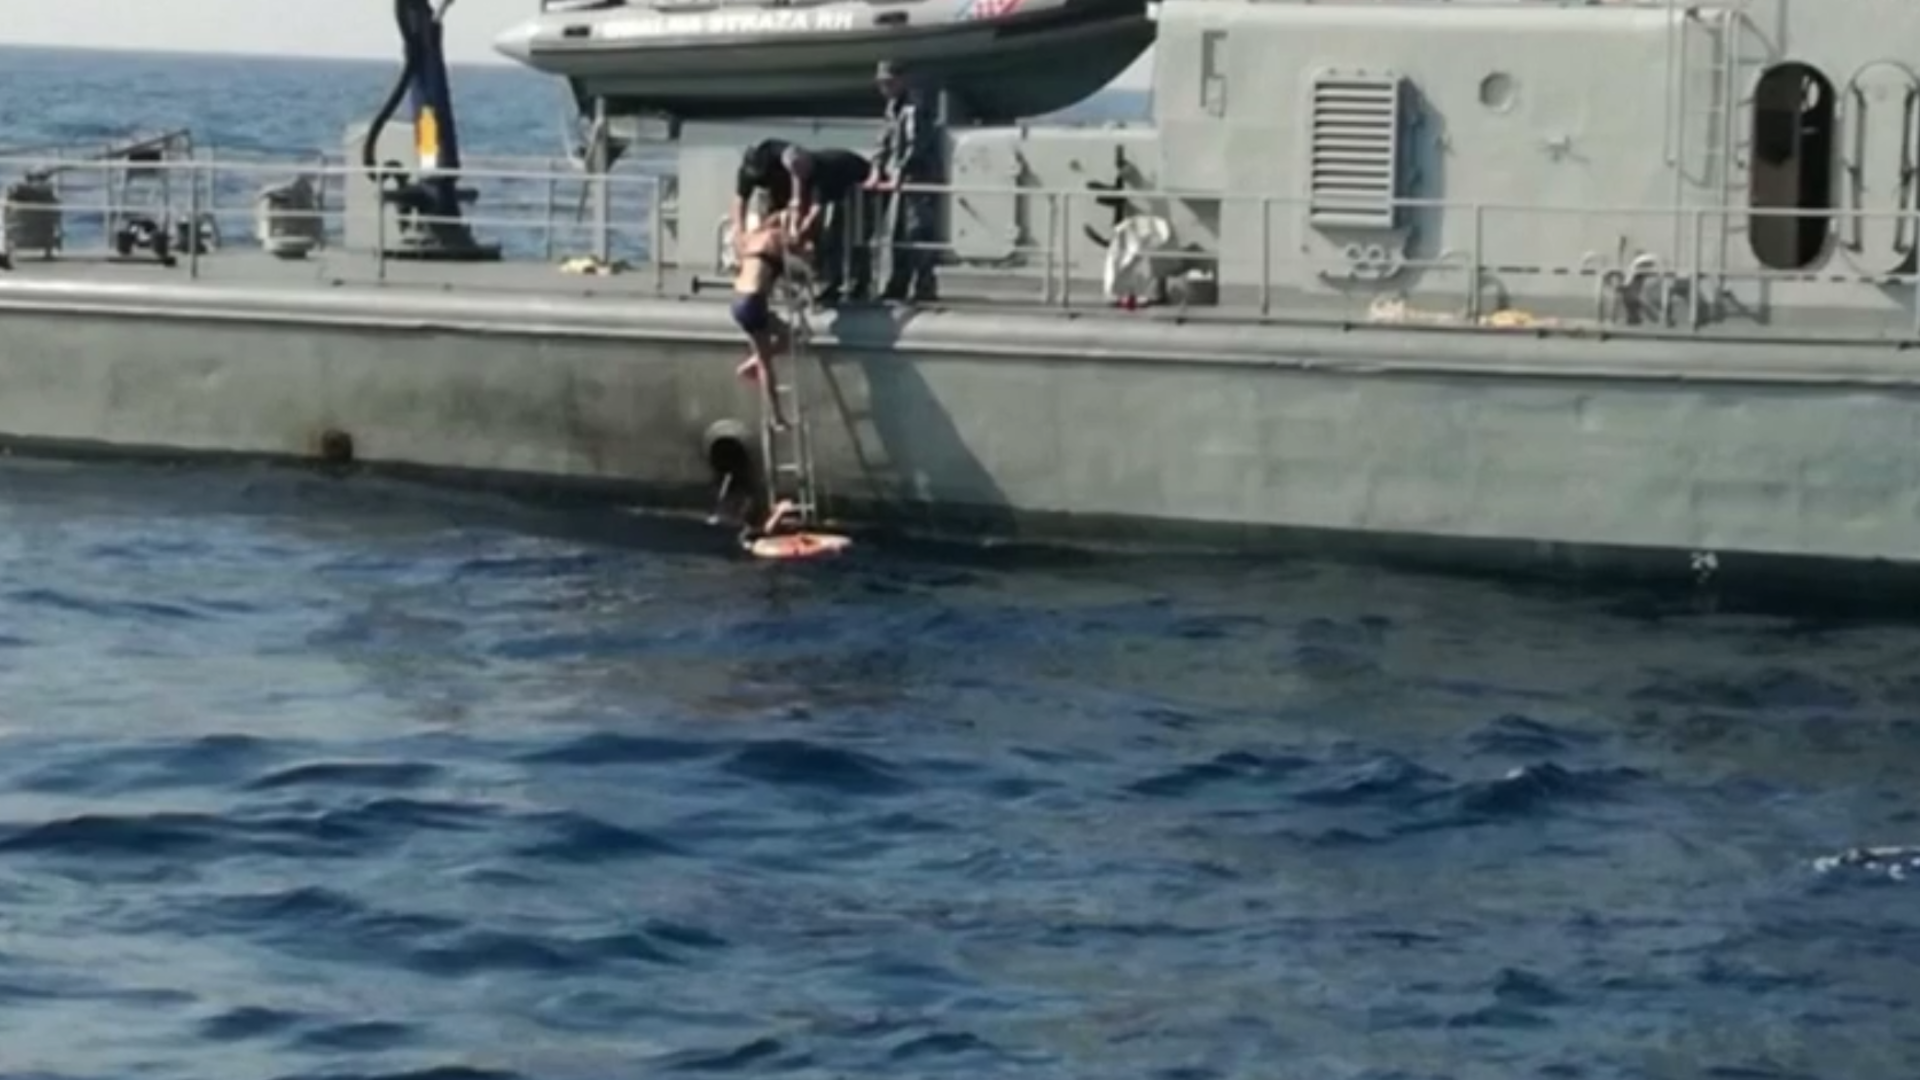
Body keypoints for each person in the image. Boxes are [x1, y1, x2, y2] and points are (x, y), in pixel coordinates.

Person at [871, 59, 943, 303]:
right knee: (898, 233)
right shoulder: (893, 107)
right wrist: (876, 168)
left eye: (889, 83)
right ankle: (898, 283)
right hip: (901, 179)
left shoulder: (914, 108)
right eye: (882, 84)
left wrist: (900, 171)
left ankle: (924, 284)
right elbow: (884, 139)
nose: (885, 88)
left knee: (918, 231)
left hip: (919, 177)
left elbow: (915, 145)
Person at [729, 209, 808, 429]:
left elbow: (767, 273)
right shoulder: (774, 239)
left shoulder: (753, 240)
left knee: (786, 336)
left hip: (739, 300)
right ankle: (777, 418)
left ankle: (752, 362)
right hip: (753, 302)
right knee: (769, 362)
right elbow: (794, 260)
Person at [790, 146, 878, 303]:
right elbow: (798, 198)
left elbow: (816, 208)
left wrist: (802, 228)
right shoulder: (803, 170)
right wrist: (794, 223)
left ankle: (862, 283)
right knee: (835, 236)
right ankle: (835, 281)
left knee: (857, 237)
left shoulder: (821, 170)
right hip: (845, 194)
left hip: (866, 189)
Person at [729, 138, 806, 251]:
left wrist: (788, 215)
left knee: (787, 224)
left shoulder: (781, 158)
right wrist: (739, 231)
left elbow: (800, 191)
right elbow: (740, 200)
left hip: (794, 186)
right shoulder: (746, 172)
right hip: (773, 193)